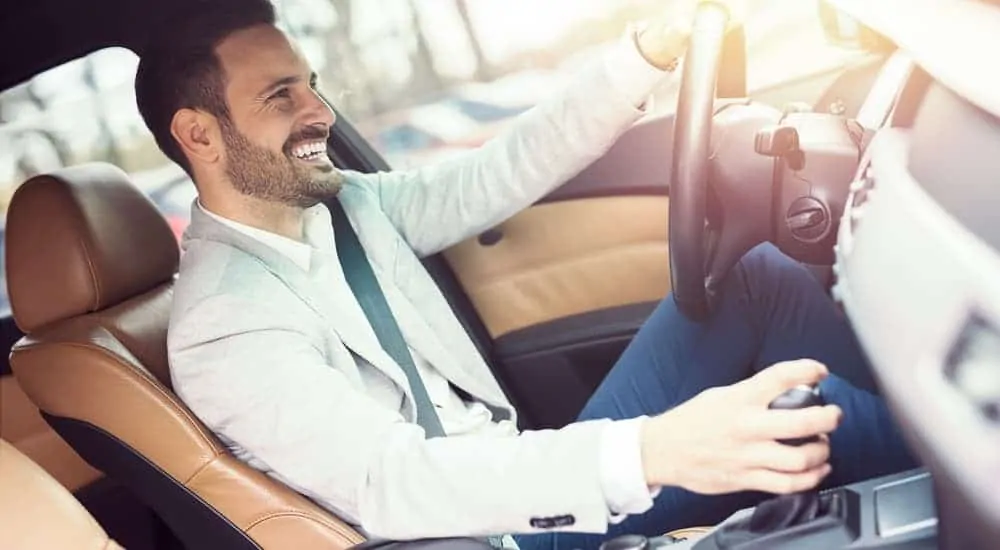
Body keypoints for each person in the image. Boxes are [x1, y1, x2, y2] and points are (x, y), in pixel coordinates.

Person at [136, 1, 916, 549]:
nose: (320, 112)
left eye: (311, 83)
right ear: (199, 134)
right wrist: (656, 451)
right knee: (796, 420)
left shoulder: (344, 207)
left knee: (756, 277)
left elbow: (498, 175)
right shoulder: (223, 327)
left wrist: (643, 52)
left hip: (526, 475)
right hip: (488, 535)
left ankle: (924, 434)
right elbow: (389, 482)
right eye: (282, 96)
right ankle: (942, 456)